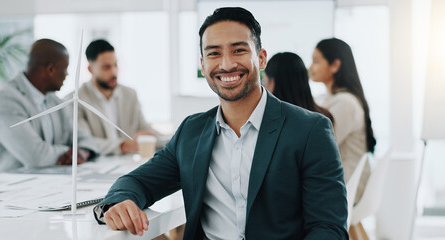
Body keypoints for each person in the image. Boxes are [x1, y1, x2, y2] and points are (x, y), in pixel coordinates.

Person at [94, 7, 348, 239]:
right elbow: (137, 182)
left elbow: (329, 228)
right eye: (214, 53)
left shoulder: (310, 130)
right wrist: (119, 202)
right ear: (203, 66)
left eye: (238, 50)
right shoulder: (191, 132)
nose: (226, 64)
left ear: (260, 59)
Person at [0, 39, 98, 173]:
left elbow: (85, 139)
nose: (67, 75)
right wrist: (71, 153)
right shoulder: (5, 100)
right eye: (65, 69)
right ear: (50, 69)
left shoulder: (54, 100)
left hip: (47, 184)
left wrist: (82, 151)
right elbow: (35, 155)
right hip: (10, 188)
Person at [309, 38, 376, 204]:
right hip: (345, 181)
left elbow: (322, 146)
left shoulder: (344, 102)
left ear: (335, 65)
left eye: (316, 61)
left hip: (347, 184)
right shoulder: (333, 99)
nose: (310, 68)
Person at [74, 39, 157, 155]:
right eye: (106, 67)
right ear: (90, 69)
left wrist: (175, 138)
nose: (114, 72)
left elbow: (146, 130)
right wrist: (123, 146)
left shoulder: (130, 94)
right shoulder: (77, 100)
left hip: (130, 163)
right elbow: (85, 141)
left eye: (115, 65)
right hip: (99, 166)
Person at [263, 52, 333, 122]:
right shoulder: (325, 116)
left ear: (272, 82)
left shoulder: (266, 121)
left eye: (264, 82)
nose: (263, 88)